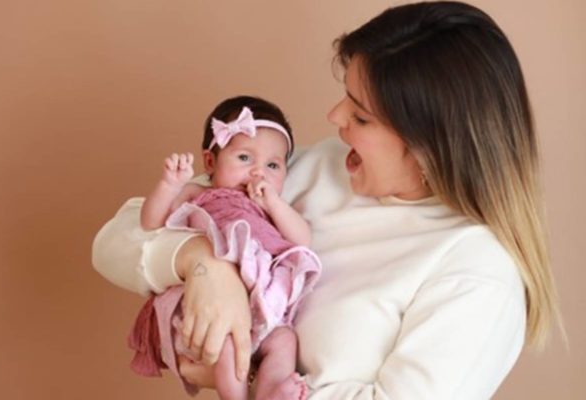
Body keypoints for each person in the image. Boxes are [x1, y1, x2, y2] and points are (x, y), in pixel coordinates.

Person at [93, 2, 561, 399]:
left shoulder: (477, 273)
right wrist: (204, 266)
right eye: (345, 97)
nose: (334, 116)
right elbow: (117, 239)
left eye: (360, 114)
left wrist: (249, 372)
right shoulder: (320, 168)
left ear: (429, 147)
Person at [128, 96, 321, 400]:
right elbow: (150, 223)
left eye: (272, 165)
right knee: (228, 341)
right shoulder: (199, 194)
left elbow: (302, 240)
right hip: (210, 308)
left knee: (284, 340)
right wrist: (169, 185)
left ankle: (269, 390)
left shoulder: (271, 208)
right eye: (244, 158)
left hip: (260, 306)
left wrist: (272, 202)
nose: (258, 173)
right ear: (210, 162)